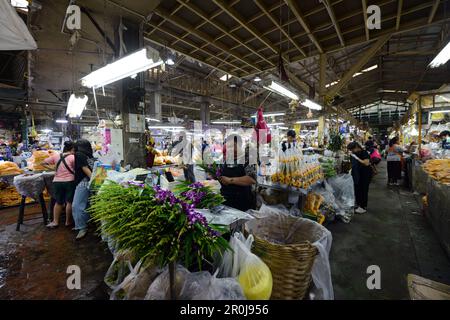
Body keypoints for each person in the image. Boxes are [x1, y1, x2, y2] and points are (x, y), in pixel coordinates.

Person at [43, 141, 76, 228]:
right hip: (69, 181)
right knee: (69, 202)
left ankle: (55, 221)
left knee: (58, 202)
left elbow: (43, 163)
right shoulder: (73, 157)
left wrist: (53, 168)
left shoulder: (56, 156)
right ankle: (68, 222)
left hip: (57, 181)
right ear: (72, 149)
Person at [219, 136, 256, 212]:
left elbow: (252, 179)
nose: (229, 149)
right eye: (228, 147)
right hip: (226, 199)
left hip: (242, 201)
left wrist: (230, 180)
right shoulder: (227, 159)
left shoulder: (247, 159)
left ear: (240, 145)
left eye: (232, 146)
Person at [72, 139, 95, 240]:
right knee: (86, 204)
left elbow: (85, 169)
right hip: (89, 181)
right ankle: (85, 223)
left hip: (84, 182)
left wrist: (93, 181)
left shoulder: (79, 155)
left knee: (76, 205)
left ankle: (82, 227)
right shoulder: (90, 156)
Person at [347, 142, 372, 214]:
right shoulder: (354, 153)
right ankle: (358, 205)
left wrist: (357, 158)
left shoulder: (364, 152)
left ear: (357, 147)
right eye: (350, 150)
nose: (352, 151)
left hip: (365, 174)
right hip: (357, 174)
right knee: (357, 189)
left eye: (352, 149)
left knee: (363, 190)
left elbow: (366, 163)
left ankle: (363, 207)